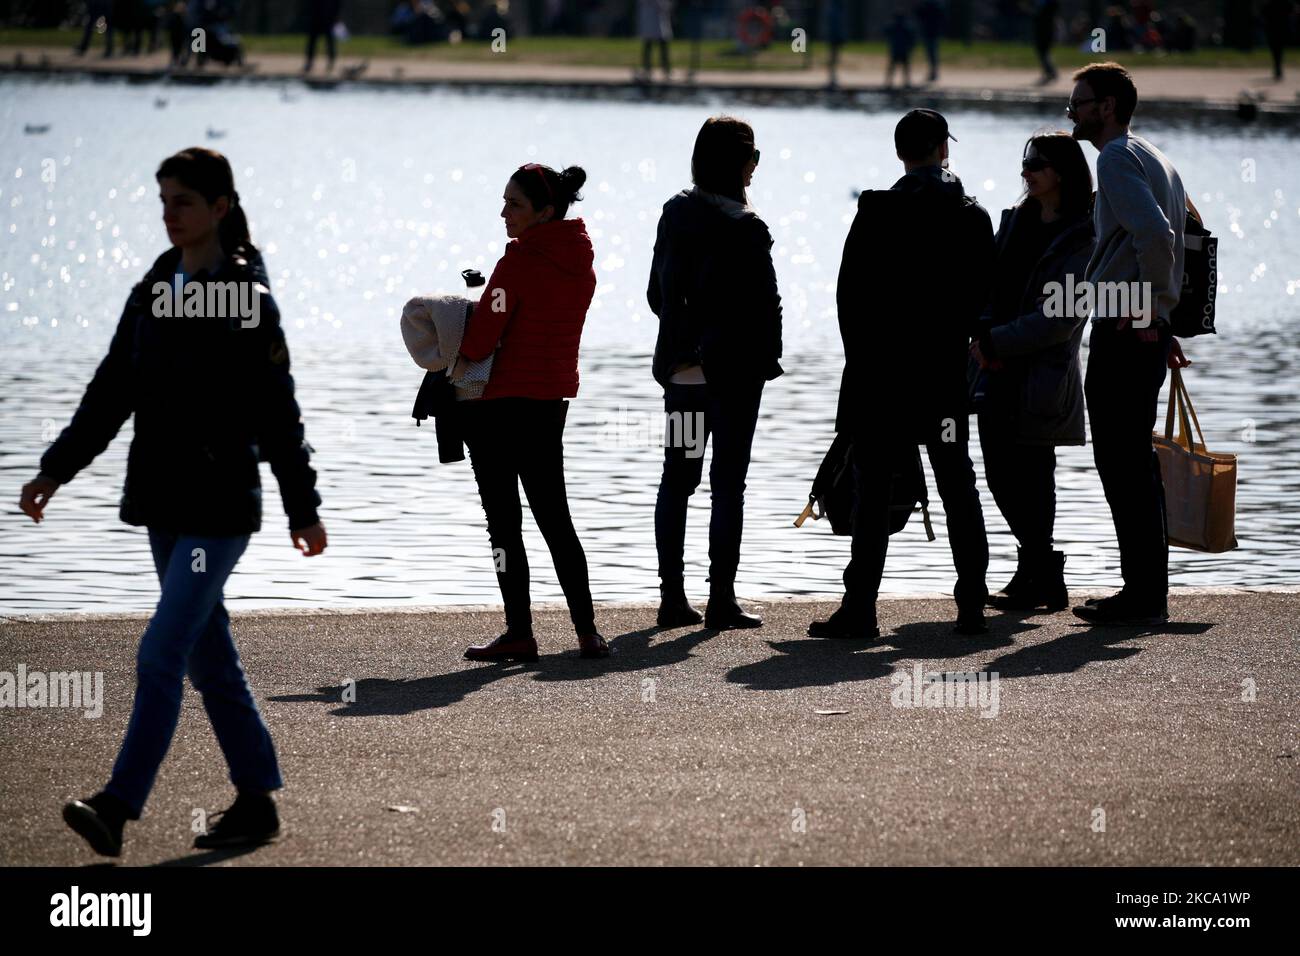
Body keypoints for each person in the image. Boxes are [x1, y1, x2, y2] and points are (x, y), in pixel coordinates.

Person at [19, 147, 326, 858]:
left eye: (183, 201)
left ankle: (118, 807)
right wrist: (55, 469)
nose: (170, 214)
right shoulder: (153, 290)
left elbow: (278, 410)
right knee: (209, 660)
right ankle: (256, 802)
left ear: (219, 208)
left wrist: (301, 507)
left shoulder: (247, 300)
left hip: (220, 508)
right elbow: (110, 392)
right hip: (162, 502)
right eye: (163, 201)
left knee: (161, 654)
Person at [815, 109, 992, 639]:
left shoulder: (875, 211)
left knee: (872, 490)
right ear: (943, 149)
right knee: (956, 483)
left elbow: (849, 298)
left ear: (900, 153)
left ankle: (860, 607)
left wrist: (864, 361)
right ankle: (971, 606)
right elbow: (984, 301)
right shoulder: (970, 215)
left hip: (880, 379)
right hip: (940, 379)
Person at [451, 163, 607, 662]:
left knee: (504, 523)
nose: (504, 213)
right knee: (555, 518)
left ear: (545, 210)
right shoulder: (580, 262)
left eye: (514, 204)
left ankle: (520, 632)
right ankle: (587, 632)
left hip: (498, 408)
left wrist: (466, 307)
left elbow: (478, 344)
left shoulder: (517, 262)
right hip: (548, 404)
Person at [1067, 62, 1191, 626]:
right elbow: (1185, 235)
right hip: (1140, 327)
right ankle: (1146, 591)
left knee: (1120, 461)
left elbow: (1158, 235)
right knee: (1133, 461)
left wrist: (1148, 310)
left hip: (1125, 325)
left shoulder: (1116, 157)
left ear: (1109, 106)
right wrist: (1162, 321)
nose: (1073, 111)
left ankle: (1142, 594)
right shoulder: (1153, 155)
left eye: (1081, 102)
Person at [648, 116, 783, 631]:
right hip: (736, 378)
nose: (754, 168)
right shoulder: (748, 229)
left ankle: (671, 597)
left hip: (685, 374)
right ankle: (722, 599)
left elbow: (656, 294)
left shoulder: (675, 213)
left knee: (677, 480)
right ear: (739, 164)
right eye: (753, 157)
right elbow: (765, 307)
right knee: (728, 485)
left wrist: (684, 338)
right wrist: (765, 361)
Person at [971, 132, 1096, 611]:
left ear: (1062, 172)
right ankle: (1039, 568)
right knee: (1000, 472)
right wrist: (983, 331)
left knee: (1034, 472)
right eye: (1024, 162)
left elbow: (1061, 318)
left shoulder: (1084, 236)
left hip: (1041, 373)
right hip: (993, 365)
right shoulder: (1016, 220)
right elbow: (989, 283)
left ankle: (1039, 573)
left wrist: (997, 340)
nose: (1026, 171)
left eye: (1037, 164)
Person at [638, 0, 673, 81]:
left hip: (659, 23)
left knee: (662, 49)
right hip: (650, 23)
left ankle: (666, 70)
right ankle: (647, 70)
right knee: (649, 47)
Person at [304, 0, 343, 73]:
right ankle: (309, 62)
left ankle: (331, 62)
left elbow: (338, 3)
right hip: (316, 17)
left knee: (329, 41)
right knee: (312, 41)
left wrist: (336, 16)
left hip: (329, 17)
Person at [884, 7, 917, 88]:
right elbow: (912, 39)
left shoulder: (894, 26)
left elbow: (885, 32)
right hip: (902, 50)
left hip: (898, 50)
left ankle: (890, 83)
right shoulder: (906, 27)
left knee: (895, 67)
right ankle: (905, 82)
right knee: (902, 67)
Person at [1264, 0, 1296, 80]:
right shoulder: (1285, 3)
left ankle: (1278, 67)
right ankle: (1278, 67)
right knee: (1278, 50)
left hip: (1274, 29)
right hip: (1280, 28)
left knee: (1276, 50)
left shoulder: (1270, 3)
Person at [916, 0, 946, 83]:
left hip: (931, 33)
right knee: (932, 54)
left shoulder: (932, 7)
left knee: (932, 54)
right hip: (931, 33)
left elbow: (919, 14)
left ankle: (933, 72)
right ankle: (933, 72)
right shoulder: (936, 7)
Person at [1032, 0, 1060, 84]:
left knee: (1044, 52)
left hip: (1046, 30)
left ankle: (1051, 72)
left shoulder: (1050, 4)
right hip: (1041, 30)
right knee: (1042, 52)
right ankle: (1049, 72)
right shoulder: (1042, 4)